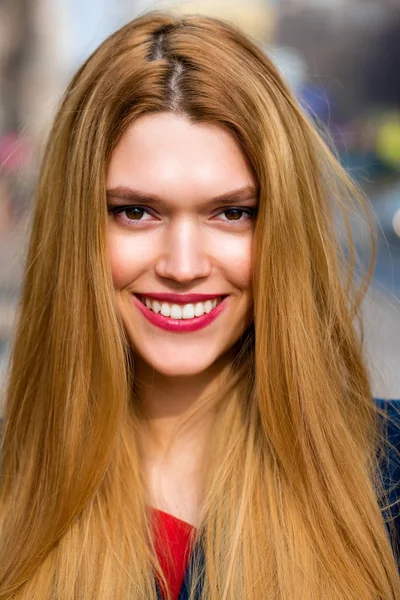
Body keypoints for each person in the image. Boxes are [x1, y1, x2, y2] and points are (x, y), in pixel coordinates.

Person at [0, 10, 399, 600]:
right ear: (75, 229)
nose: (183, 267)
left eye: (232, 212)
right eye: (135, 211)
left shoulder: (387, 477)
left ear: (284, 230)